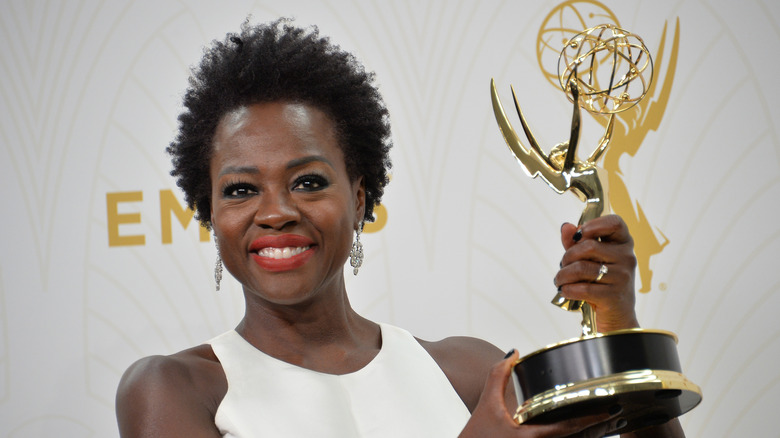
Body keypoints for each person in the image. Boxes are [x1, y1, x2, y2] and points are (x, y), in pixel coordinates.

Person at [115, 19, 685, 437]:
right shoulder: (172, 390)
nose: (276, 211)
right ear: (210, 213)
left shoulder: (468, 370)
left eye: (308, 181)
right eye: (241, 190)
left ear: (359, 197)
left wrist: (616, 329)